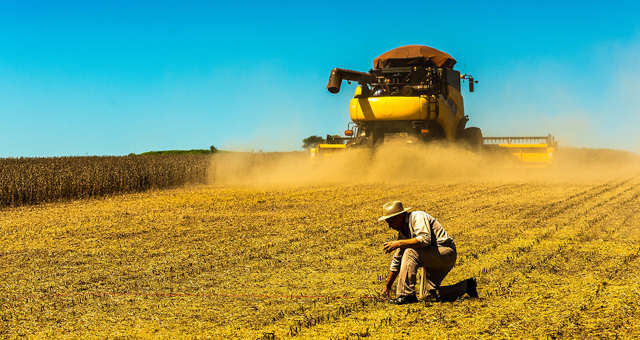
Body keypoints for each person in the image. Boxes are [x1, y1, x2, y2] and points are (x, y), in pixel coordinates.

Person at [379, 201, 478, 304]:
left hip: (445, 252)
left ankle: (406, 295)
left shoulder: (417, 216)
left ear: (399, 216)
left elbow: (425, 239)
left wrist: (399, 243)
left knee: (410, 252)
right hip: (432, 258)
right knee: (427, 296)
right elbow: (397, 260)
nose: (390, 226)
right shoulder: (403, 233)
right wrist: (388, 286)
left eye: (390, 221)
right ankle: (466, 286)